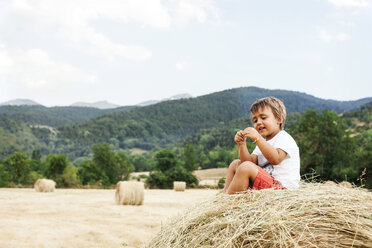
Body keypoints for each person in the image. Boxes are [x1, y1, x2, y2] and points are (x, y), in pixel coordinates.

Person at [223, 96, 300, 194]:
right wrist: (242, 145)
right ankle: (224, 198)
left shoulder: (284, 138)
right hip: (265, 185)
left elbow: (276, 159)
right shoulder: (262, 143)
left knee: (245, 167)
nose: (258, 122)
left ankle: (228, 203)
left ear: (279, 119)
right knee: (235, 164)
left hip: (281, 188)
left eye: (263, 118)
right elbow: (248, 163)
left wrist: (258, 139)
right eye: (255, 120)